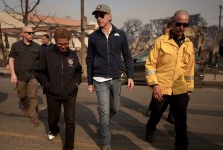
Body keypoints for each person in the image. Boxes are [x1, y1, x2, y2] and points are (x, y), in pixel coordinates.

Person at [86, 4, 134, 150]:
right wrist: (90, 82)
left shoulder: (120, 34)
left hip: (115, 78)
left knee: (116, 108)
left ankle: (104, 118)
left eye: (101, 15)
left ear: (109, 16)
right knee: (105, 111)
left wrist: (130, 76)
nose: (98, 18)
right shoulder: (93, 37)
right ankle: (106, 142)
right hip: (99, 79)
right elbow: (89, 60)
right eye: (96, 16)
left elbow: (127, 56)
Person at [145, 10, 194, 150]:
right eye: (179, 24)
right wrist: (154, 85)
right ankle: (150, 129)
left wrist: (189, 89)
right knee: (156, 114)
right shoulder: (160, 41)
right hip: (162, 87)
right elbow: (150, 64)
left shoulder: (189, 45)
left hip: (180, 89)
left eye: (185, 25)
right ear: (173, 23)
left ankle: (181, 146)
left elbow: (189, 69)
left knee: (181, 122)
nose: (181, 28)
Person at [35, 27, 82, 150]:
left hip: (70, 93)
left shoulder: (73, 55)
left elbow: (78, 72)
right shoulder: (47, 54)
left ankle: (68, 146)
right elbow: (39, 72)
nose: (63, 46)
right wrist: (47, 85)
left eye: (66, 44)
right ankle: (54, 130)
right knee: (52, 120)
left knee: (70, 121)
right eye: (60, 44)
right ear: (55, 41)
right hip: (53, 94)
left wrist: (76, 84)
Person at [144, 20, 175, 125]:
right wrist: (154, 82)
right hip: (160, 79)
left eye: (165, 28)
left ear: (170, 28)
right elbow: (151, 62)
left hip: (176, 82)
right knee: (157, 103)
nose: (163, 30)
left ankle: (171, 116)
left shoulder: (184, 42)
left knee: (174, 104)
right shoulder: (159, 41)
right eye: (163, 28)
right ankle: (151, 111)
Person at [8, 26, 40, 127]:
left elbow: (41, 61)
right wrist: (13, 74)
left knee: (33, 95)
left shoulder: (37, 46)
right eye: (29, 33)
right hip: (20, 75)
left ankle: (33, 115)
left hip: (33, 75)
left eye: (32, 33)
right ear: (23, 34)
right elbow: (11, 59)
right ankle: (26, 105)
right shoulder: (16, 46)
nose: (32, 35)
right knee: (22, 95)